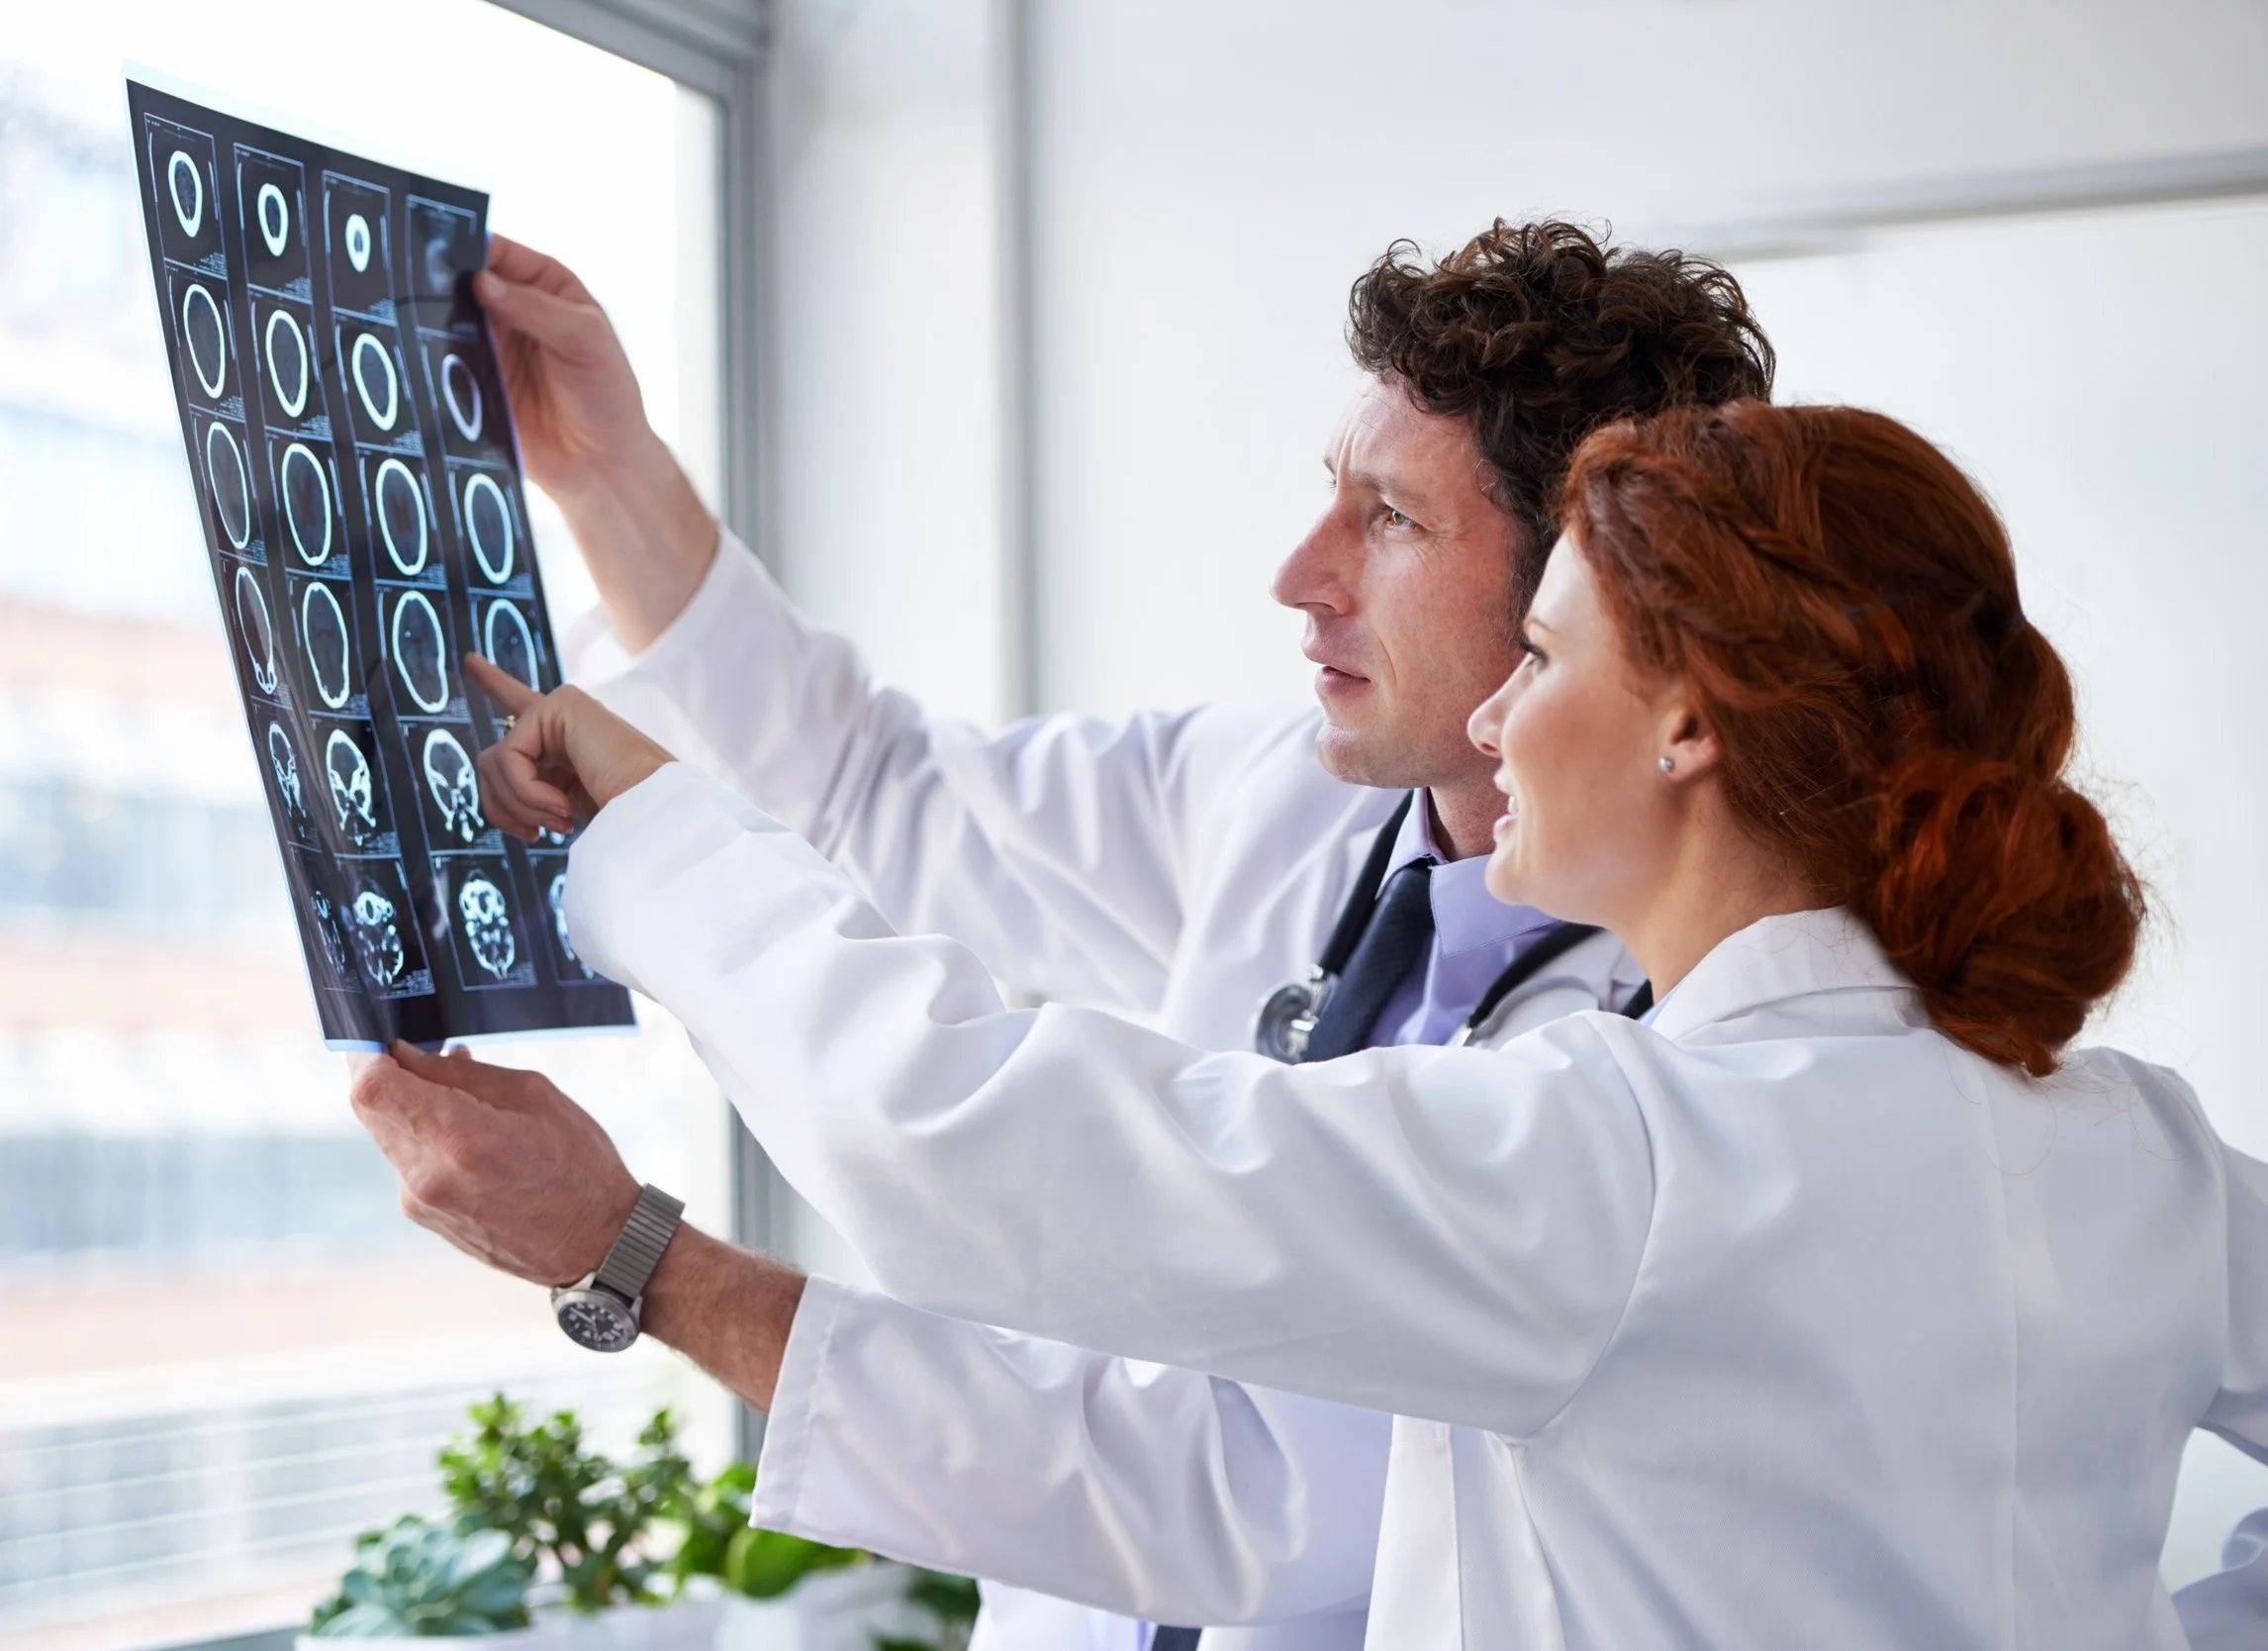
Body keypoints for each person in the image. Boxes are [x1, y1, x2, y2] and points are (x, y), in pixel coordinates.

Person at [373, 400, 2266, 1649]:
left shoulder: (1628, 1167)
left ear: (1690, 720)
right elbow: (910, 825)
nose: (1504, 720)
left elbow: (988, 1143)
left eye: (1546, 655)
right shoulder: (2144, 1150)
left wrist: (646, 825)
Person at [377, 222, 1766, 1650]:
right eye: (1331, 500)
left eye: (1393, 521)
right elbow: (877, 792)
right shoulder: (1284, 797)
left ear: (1583, 593)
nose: (1301, 576)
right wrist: (604, 472)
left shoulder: (1655, 1056)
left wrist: (634, 1253)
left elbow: (1227, 1501)